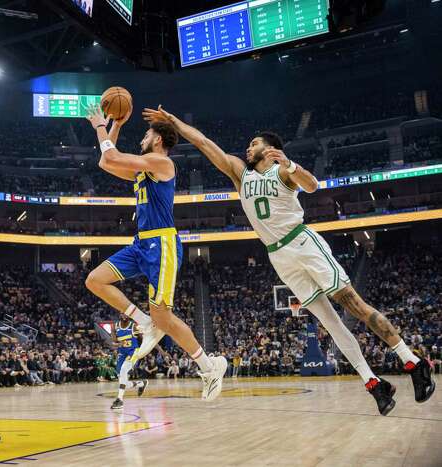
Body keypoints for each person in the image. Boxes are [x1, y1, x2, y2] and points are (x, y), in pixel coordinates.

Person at [143, 105, 436, 415]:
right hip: (278, 256)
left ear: (271, 149)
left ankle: (413, 362)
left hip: (302, 242)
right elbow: (204, 143)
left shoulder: (282, 171)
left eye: (254, 143)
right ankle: (374, 384)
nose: (248, 147)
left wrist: (292, 165)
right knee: (330, 323)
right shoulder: (240, 174)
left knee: (353, 304)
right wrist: (173, 121)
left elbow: (312, 186)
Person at [84, 105, 227, 402]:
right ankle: (143, 320)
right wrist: (117, 125)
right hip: (141, 243)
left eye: (147, 134)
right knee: (95, 280)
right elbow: (105, 162)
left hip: (162, 244)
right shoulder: (144, 167)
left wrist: (101, 124)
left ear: (159, 140)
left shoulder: (162, 163)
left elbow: (111, 155)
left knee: (165, 317)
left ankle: (209, 367)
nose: (142, 139)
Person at [110, 314, 148, 410]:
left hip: (133, 352)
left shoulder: (134, 326)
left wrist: (161, 351)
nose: (124, 315)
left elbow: (144, 340)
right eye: (122, 312)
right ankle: (141, 384)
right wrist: (118, 344)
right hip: (122, 353)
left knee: (123, 370)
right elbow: (113, 343)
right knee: (122, 381)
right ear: (119, 313)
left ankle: (119, 399)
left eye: (126, 313)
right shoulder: (115, 326)